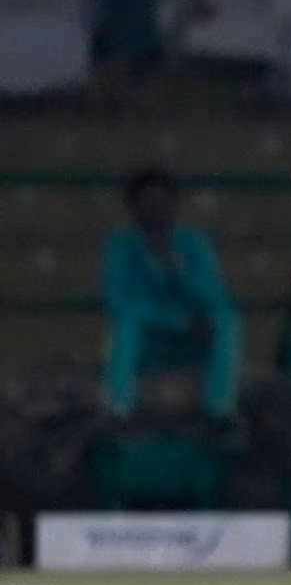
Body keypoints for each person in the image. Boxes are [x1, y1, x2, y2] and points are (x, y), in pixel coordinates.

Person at [96, 167, 242, 508]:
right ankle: (118, 407)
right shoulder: (121, 247)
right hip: (148, 343)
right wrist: (176, 321)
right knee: (129, 323)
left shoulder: (193, 244)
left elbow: (216, 299)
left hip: (190, 344)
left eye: (161, 201)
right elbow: (119, 305)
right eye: (146, 202)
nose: (155, 210)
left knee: (228, 323)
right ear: (133, 208)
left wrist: (180, 271)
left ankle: (218, 409)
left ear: (174, 205)